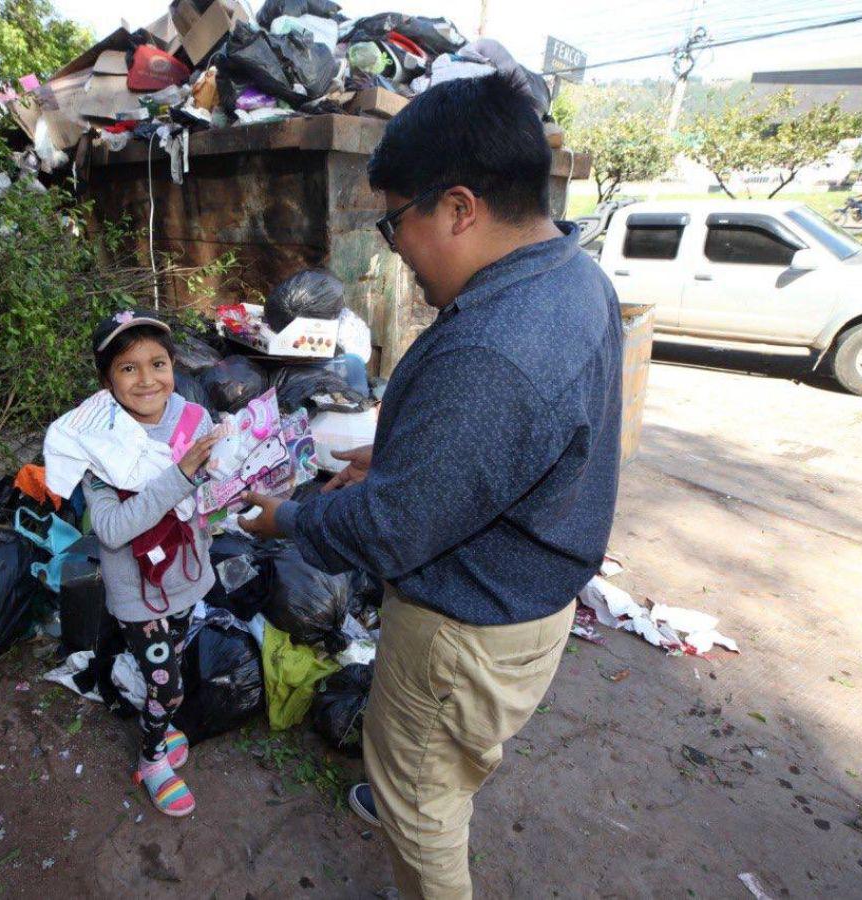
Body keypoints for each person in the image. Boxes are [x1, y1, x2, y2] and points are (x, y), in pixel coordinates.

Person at [242, 73, 623, 898]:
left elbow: (388, 532)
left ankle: (417, 811)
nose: (393, 249)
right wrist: (405, 456)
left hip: (466, 626)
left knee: (420, 805)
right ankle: (424, 787)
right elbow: (523, 444)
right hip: (526, 602)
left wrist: (289, 519)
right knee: (442, 764)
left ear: (457, 207)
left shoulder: (494, 349)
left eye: (393, 222)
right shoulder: (571, 277)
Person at [48, 311, 219, 817]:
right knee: (167, 686)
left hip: (188, 576)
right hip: (138, 593)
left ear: (173, 367)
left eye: (158, 363)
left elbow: (212, 491)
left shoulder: (193, 419)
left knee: (173, 665)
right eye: (128, 368)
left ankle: (159, 722)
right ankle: (151, 760)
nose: (147, 379)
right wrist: (183, 475)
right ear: (106, 381)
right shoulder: (93, 443)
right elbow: (114, 529)